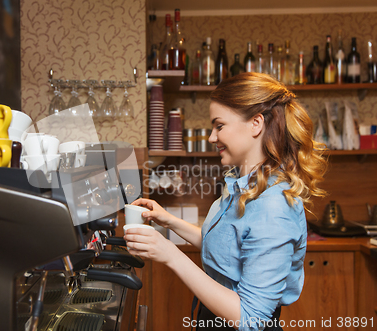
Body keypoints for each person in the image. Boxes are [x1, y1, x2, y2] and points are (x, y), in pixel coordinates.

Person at [124, 72, 327, 330]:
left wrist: (170, 254)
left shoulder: (274, 207)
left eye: (219, 126)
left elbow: (251, 319)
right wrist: (169, 221)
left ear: (256, 123)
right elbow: (225, 249)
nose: (212, 137)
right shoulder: (242, 183)